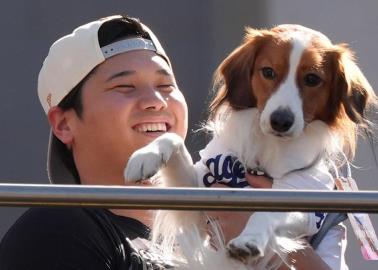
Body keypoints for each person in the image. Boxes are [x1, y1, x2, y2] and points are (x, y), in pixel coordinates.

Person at [0, 14, 345, 270]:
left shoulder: (205, 225)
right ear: (63, 124)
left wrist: (278, 239)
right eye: (124, 86)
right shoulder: (58, 229)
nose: (156, 101)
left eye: (166, 86)